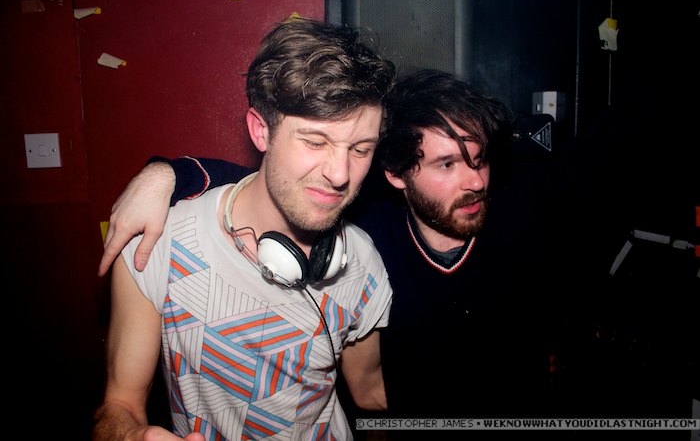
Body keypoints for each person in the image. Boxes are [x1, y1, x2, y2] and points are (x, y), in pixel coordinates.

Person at [99, 70, 561, 438]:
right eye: (447, 164)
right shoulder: (369, 232)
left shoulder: (528, 215)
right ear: (396, 175)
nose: (476, 181)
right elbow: (279, 182)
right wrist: (167, 173)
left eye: (480, 160)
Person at [92, 17, 396, 441]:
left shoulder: (361, 262)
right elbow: (119, 406)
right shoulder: (158, 242)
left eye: (360, 149)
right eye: (315, 142)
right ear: (261, 131)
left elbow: (370, 397)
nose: (340, 174)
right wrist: (131, 436)